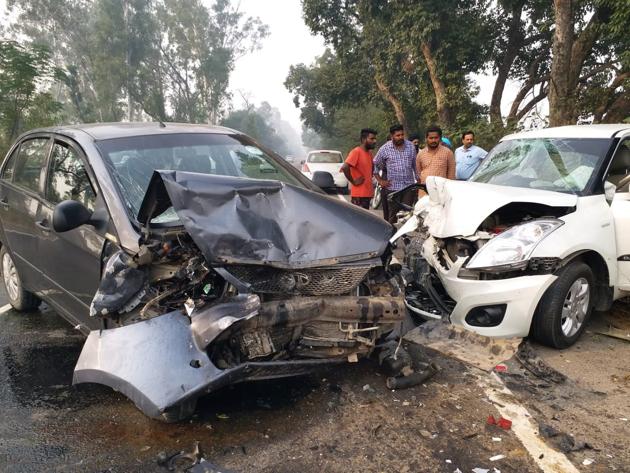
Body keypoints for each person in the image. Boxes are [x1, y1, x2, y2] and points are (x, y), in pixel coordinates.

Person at [373, 124, 418, 223]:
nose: (401, 137)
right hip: (392, 188)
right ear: (392, 136)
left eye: (402, 135)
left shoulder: (410, 146)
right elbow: (375, 164)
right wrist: (381, 181)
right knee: (392, 215)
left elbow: (415, 164)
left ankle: (405, 237)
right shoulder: (385, 149)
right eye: (398, 135)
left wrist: (418, 179)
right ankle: (391, 237)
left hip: (408, 187)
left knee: (406, 215)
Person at [341, 128, 377, 209]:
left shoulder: (369, 153)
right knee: (358, 220)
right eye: (372, 139)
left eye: (375, 139)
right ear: (364, 139)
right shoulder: (356, 152)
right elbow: (345, 167)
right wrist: (353, 181)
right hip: (359, 195)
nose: (374, 141)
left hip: (366, 194)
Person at [416, 125, 456, 193]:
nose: (433, 140)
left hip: (441, 192)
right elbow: (419, 173)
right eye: (431, 138)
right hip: (424, 192)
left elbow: (451, 176)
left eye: (436, 138)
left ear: (440, 138)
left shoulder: (448, 153)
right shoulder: (421, 154)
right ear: (426, 138)